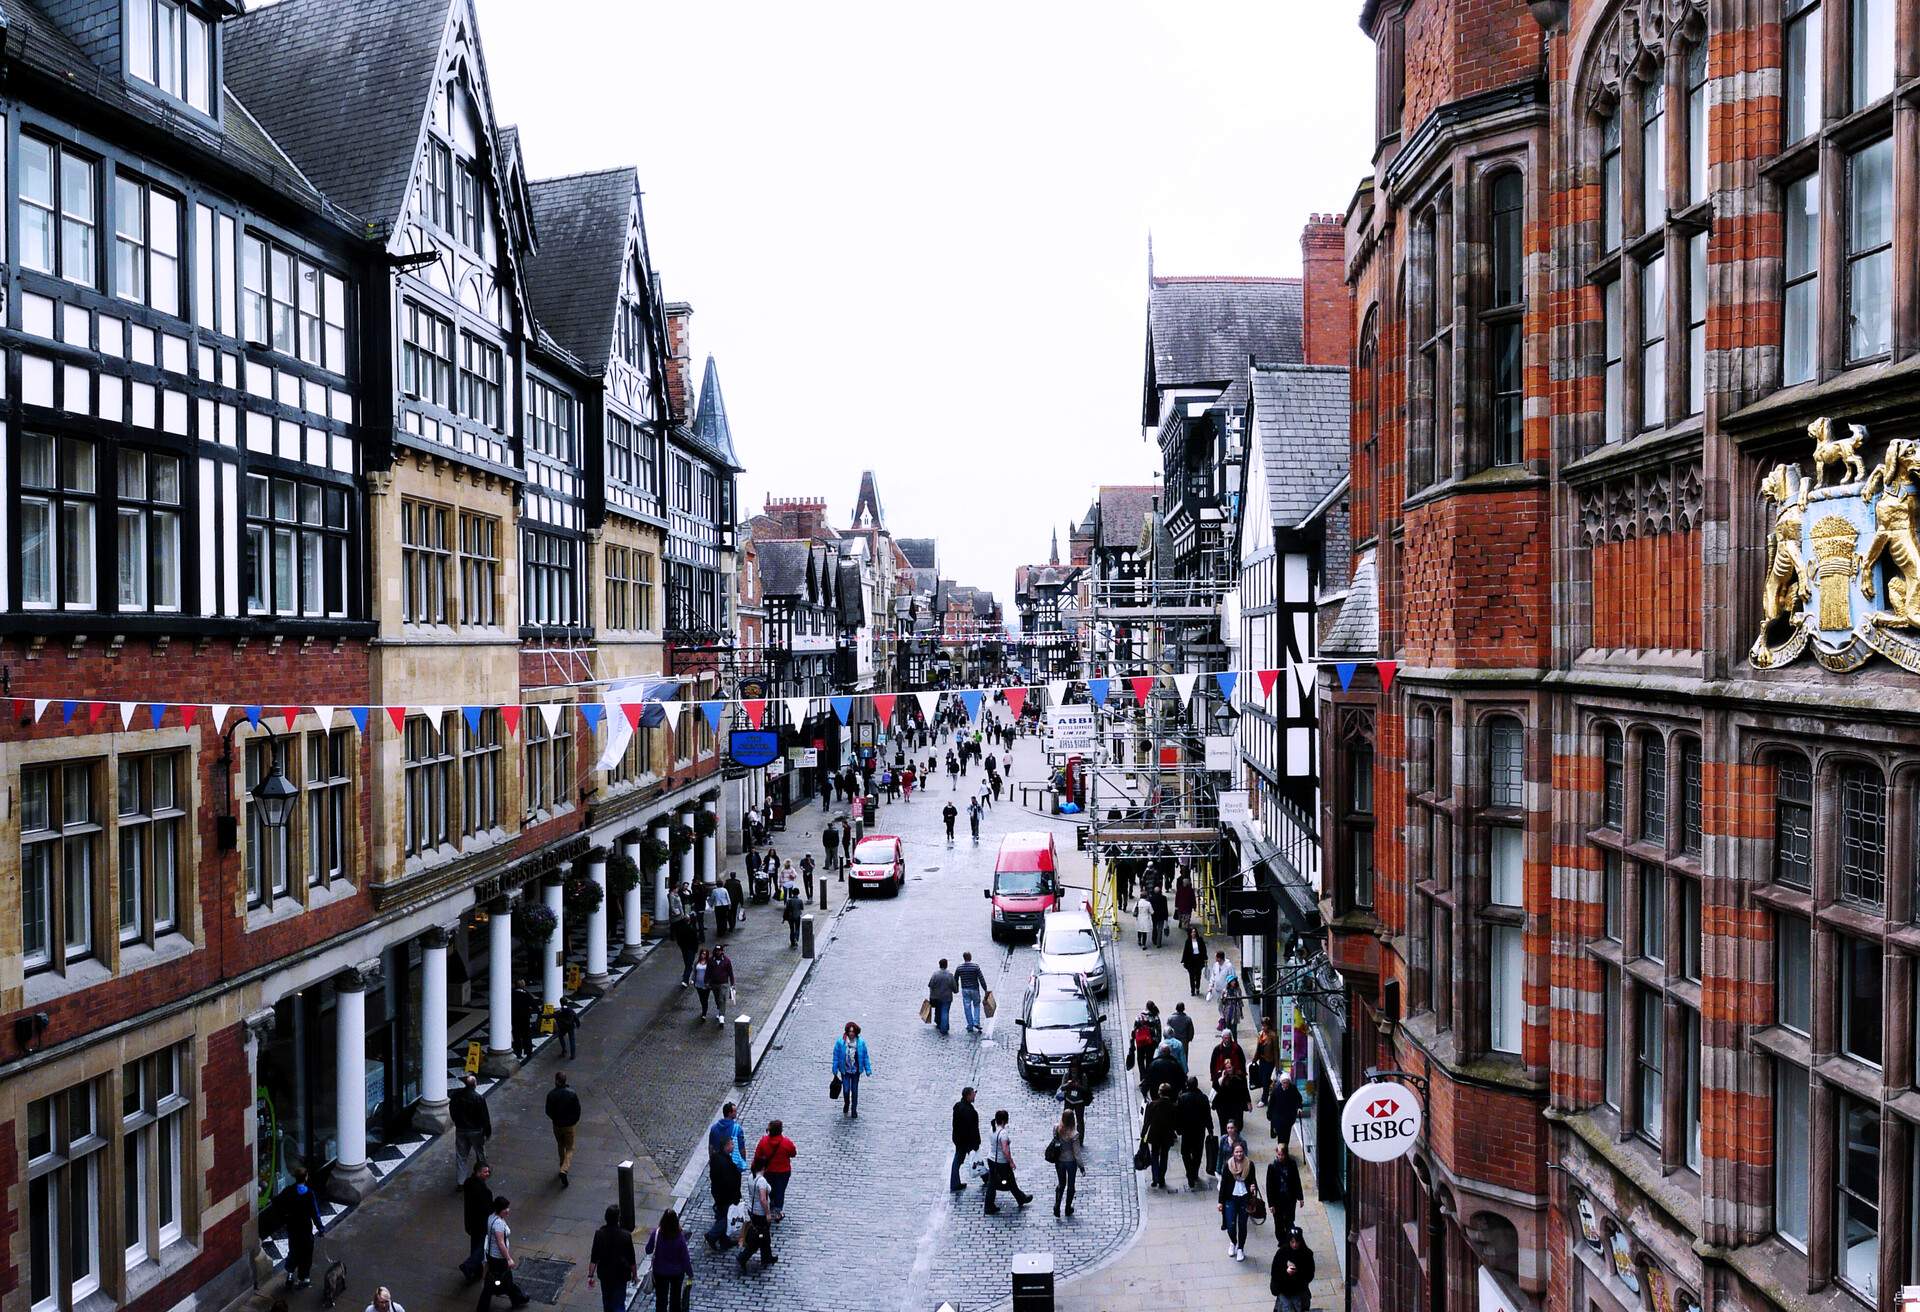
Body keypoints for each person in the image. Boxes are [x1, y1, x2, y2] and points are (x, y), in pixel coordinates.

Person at [475, 1197, 531, 1312]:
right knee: (504, 1280)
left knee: (497, 1280)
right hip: (499, 1259)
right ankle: (518, 1298)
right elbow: (501, 1243)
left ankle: (516, 1298)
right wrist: (509, 1259)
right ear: (500, 1209)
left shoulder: (491, 1217)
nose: (508, 1210)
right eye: (506, 1208)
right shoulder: (499, 1224)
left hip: (491, 1256)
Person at [703, 1106, 746, 1252]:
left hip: (718, 1191)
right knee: (727, 1215)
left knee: (722, 1213)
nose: (733, 1145)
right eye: (731, 1144)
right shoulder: (727, 1162)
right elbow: (729, 1181)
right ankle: (712, 1235)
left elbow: (710, 1148)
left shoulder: (716, 1157)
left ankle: (724, 1240)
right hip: (726, 1193)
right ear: (727, 1146)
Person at [274, 1165, 323, 1288]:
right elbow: (315, 1213)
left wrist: (285, 1216)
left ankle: (290, 1274)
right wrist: (320, 1228)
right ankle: (304, 1277)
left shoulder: (288, 1191)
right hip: (305, 1228)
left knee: (294, 1250)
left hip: (293, 1227)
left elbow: (277, 1202)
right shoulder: (310, 1194)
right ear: (306, 1177)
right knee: (306, 1252)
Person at [585, 1205, 636, 1312]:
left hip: (605, 1274)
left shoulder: (599, 1234)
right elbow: (631, 1258)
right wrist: (634, 1275)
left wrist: (590, 1275)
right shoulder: (626, 1235)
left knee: (607, 1302)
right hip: (620, 1274)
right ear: (618, 1218)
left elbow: (594, 1257)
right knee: (619, 1303)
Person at [983, 1109, 1033, 1212]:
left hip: (991, 1159)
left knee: (992, 1183)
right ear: (1005, 1120)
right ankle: (1021, 1198)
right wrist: (1011, 1161)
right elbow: (1005, 1150)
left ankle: (989, 1205)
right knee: (1011, 1181)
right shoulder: (1003, 1133)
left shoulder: (992, 1129)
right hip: (1001, 1162)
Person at [642, 1210, 692, 1312]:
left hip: (660, 1272)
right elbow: (685, 1258)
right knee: (675, 1298)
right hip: (677, 1272)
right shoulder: (680, 1238)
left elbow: (648, 1250)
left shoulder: (656, 1234)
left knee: (661, 1300)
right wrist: (690, 1273)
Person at [1217, 1140, 1256, 1262]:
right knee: (1230, 1224)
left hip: (1244, 1198)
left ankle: (1240, 1248)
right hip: (1231, 1198)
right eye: (1236, 1152)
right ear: (1233, 1153)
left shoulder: (1250, 1164)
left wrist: (1252, 1187)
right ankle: (1233, 1242)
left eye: (1241, 1151)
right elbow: (1223, 1185)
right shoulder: (1227, 1165)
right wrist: (1220, 1202)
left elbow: (1252, 1180)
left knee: (1242, 1225)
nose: (1239, 1154)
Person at [450, 1073, 491, 1187]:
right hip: (476, 1131)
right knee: (480, 1153)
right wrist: (487, 1132)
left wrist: (457, 1122)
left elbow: (452, 1110)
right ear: (475, 1085)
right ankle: (481, 1175)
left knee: (461, 1155)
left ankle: (461, 1181)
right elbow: (484, 1117)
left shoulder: (457, 1096)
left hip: (461, 1129)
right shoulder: (479, 1098)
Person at [752, 1119, 798, 1220]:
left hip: (768, 1171)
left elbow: (757, 1156)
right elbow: (793, 1153)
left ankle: (771, 1205)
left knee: (770, 1189)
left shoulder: (763, 1141)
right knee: (780, 1190)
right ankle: (777, 1210)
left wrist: (754, 1168)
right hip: (783, 1171)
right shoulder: (786, 1142)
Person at [1176, 1076, 1214, 1188]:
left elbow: (1178, 1115)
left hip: (1187, 1131)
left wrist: (1178, 1128)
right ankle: (1195, 1172)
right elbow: (1208, 1115)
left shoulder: (1182, 1098)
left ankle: (1189, 1172)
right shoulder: (1203, 1098)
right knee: (1197, 1153)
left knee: (1185, 1153)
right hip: (1199, 1130)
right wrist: (1210, 1129)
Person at [458, 1162, 494, 1281]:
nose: (488, 1174)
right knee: (483, 1247)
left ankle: (476, 1271)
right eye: (485, 1172)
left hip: (470, 1221)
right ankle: (469, 1266)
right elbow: (488, 1209)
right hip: (481, 1224)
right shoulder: (485, 1192)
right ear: (478, 1172)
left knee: (475, 1245)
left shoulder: (468, 1183)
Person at [737, 1163, 777, 1270]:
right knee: (759, 1237)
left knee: (765, 1236)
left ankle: (767, 1257)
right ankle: (743, 1257)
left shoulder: (751, 1177)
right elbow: (763, 1199)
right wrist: (768, 1213)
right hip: (760, 1214)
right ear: (763, 1167)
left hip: (753, 1210)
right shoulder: (762, 1181)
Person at [546, 1071, 581, 1187]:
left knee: (560, 1145)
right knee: (570, 1148)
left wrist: (555, 1119)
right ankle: (564, 1169)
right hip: (569, 1125)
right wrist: (574, 1121)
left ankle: (562, 1164)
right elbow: (577, 1110)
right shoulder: (572, 1094)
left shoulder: (551, 1094)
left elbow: (548, 1111)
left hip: (557, 1125)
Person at [1141, 1083, 1179, 1189]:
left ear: (1159, 1092)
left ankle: (1155, 1178)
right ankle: (1161, 1178)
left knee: (1154, 1155)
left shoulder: (1152, 1104)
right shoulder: (1173, 1106)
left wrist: (1143, 1134)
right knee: (1164, 1156)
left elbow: (1147, 1121)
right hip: (1167, 1135)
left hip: (1155, 1134)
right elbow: (1175, 1122)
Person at [1271, 1226, 1317, 1312]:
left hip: (1299, 1291)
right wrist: (1286, 1272)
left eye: (1297, 1242)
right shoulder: (1281, 1253)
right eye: (1292, 1242)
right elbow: (1275, 1272)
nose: (1294, 1244)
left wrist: (1298, 1272)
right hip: (1284, 1291)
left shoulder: (1307, 1254)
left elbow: (1310, 1274)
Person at [832, 1021, 873, 1117]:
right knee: (846, 1090)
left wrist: (867, 1069)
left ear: (856, 1032)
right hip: (845, 1071)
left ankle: (854, 1109)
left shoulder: (861, 1043)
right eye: (850, 1031)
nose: (851, 1033)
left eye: (853, 1031)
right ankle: (846, 1103)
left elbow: (865, 1056)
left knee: (854, 1090)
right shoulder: (840, 1042)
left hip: (855, 1071)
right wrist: (835, 1068)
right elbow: (836, 1056)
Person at [1267, 1142, 1307, 1239]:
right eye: (1279, 1154)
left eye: (1282, 1155)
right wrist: (1271, 1204)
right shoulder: (1272, 1166)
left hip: (1289, 1198)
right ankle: (1281, 1240)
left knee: (1289, 1220)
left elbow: (1296, 1180)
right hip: (1277, 1199)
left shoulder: (1292, 1164)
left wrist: (1300, 1197)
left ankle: (1289, 1239)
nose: (1280, 1157)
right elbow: (1269, 1187)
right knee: (1278, 1221)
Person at [1050, 1110, 1081, 1218]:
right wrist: (1081, 1166)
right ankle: (1068, 1208)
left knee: (1061, 1183)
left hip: (1059, 1161)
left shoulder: (1056, 1128)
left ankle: (1057, 1206)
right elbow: (1076, 1152)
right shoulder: (1074, 1134)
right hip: (1071, 1162)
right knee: (1071, 1185)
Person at [1213, 1063, 1252, 1150]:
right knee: (1224, 1127)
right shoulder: (1220, 1075)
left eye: (1230, 1067)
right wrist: (1222, 1079)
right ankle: (1225, 1146)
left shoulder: (1239, 1076)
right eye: (1226, 1068)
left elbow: (1245, 1090)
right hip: (1223, 1107)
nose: (1228, 1069)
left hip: (1236, 1106)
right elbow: (1215, 1088)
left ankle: (1236, 1146)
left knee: (1237, 1126)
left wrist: (1248, 1102)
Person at [950, 1086, 981, 1191]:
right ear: (968, 1096)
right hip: (966, 1141)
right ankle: (986, 1178)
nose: (975, 1095)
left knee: (963, 1160)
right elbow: (973, 1129)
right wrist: (976, 1142)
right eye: (973, 1093)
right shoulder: (969, 1111)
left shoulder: (958, 1106)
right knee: (976, 1159)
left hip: (959, 1139)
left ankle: (955, 1183)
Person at [1057, 1063, 1092, 1147]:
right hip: (1069, 1100)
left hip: (1079, 1101)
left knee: (1080, 1120)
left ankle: (1080, 1140)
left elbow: (1085, 1088)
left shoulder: (1082, 1076)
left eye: (1075, 1068)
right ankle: (1065, 1137)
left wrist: (1078, 1086)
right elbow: (1062, 1086)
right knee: (1066, 1119)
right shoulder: (1067, 1075)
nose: (1073, 1070)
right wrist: (1068, 1084)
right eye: (1072, 1068)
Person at [1269, 1071, 1304, 1148]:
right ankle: (1281, 1151)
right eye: (1284, 1082)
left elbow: (1299, 1098)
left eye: (1287, 1082)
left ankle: (1284, 1149)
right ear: (1281, 1082)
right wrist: (1270, 1115)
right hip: (1279, 1116)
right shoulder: (1276, 1090)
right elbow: (1271, 1103)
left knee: (1287, 1135)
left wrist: (1299, 1108)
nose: (1285, 1084)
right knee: (1280, 1135)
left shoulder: (1293, 1088)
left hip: (1289, 1117)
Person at [956, 951, 987, 1033]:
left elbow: (955, 979)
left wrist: (955, 988)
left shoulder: (959, 968)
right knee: (976, 1005)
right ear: (970, 957)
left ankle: (970, 1025)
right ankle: (976, 1022)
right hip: (975, 989)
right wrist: (985, 989)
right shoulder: (975, 967)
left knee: (967, 1007)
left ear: (964, 958)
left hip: (965, 989)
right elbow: (981, 979)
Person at [1210, 1025, 1248, 1092]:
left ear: (1230, 1038)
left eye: (1228, 1038)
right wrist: (1213, 1076)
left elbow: (1242, 1061)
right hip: (1221, 1074)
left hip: (1235, 1074)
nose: (1227, 1040)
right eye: (1225, 1038)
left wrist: (1242, 1072)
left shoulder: (1237, 1048)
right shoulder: (1217, 1049)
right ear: (1222, 1038)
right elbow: (1212, 1064)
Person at [1146, 1044, 1184, 1110]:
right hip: (1172, 1094)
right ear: (1170, 1053)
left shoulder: (1154, 1064)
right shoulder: (1175, 1064)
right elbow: (1181, 1079)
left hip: (1155, 1094)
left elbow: (1148, 1079)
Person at [1251, 1018, 1279, 1105]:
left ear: (1269, 1026)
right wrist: (1255, 1059)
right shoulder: (1261, 1034)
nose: (1263, 1027)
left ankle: (1264, 1099)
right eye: (1262, 1025)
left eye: (1265, 1025)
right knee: (1262, 1078)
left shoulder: (1273, 1036)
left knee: (1265, 1079)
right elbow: (1258, 1048)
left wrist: (1277, 1065)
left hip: (1269, 1061)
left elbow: (1276, 1051)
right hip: (1262, 1059)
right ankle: (1270, 1088)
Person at [672, 896, 699, 986]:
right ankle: (685, 979)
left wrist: (681, 946)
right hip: (690, 949)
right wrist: (695, 949)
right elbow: (695, 940)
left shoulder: (681, 929)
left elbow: (679, 939)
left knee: (687, 963)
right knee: (689, 965)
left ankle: (685, 977)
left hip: (684, 948)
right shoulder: (692, 930)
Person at [927, 958, 958, 1035]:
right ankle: (944, 1028)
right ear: (946, 965)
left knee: (938, 1009)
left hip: (936, 996)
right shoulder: (950, 975)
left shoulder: (935, 974)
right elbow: (954, 987)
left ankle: (938, 1022)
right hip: (947, 997)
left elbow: (930, 984)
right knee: (945, 1011)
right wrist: (955, 990)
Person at [707, 944, 735, 1026]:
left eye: (719, 950)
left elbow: (730, 973)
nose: (718, 952)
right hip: (714, 983)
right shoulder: (711, 960)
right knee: (717, 999)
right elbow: (708, 971)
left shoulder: (726, 961)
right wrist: (706, 981)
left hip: (723, 983)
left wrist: (732, 983)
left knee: (722, 998)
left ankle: (721, 1016)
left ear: (722, 951)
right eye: (716, 950)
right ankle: (719, 1010)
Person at [510, 980, 536, 1060]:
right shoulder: (526, 994)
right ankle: (528, 1053)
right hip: (525, 1018)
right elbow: (534, 1005)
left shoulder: (511, 994)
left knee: (516, 1036)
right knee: (526, 1035)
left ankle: (518, 1053)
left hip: (515, 1018)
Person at [1181, 927, 1208, 997]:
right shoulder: (1188, 941)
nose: (1193, 933)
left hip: (1198, 960)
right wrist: (1184, 961)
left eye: (1194, 932)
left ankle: (1197, 987)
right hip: (1191, 961)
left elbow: (1203, 949)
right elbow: (1185, 951)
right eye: (1192, 932)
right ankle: (1192, 989)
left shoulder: (1200, 940)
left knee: (1198, 975)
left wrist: (1205, 958)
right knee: (1191, 976)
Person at [691, 948, 714, 1019]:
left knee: (705, 999)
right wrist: (692, 979)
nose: (703, 955)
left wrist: (710, 982)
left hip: (706, 985)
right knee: (701, 999)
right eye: (702, 953)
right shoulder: (696, 962)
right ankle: (704, 1009)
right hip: (698, 984)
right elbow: (694, 971)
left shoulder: (709, 962)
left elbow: (711, 973)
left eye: (704, 954)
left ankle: (704, 1013)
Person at [1149, 883, 1170, 947]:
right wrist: (1166, 917)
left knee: (1154, 927)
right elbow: (1165, 908)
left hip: (1154, 916)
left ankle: (1154, 939)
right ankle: (1158, 943)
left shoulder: (1151, 898)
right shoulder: (1164, 898)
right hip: (1162, 916)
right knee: (1160, 929)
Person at [783, 881, 804, 947]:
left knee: (792, 929)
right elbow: (802, 908)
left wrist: (784, 918)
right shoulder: (800, 901)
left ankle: (792, 941)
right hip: (797, 916)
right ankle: (796, 939)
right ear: (798, 893)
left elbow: (786, 910)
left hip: (790, 917)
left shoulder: (789, 900)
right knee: (797, 928)